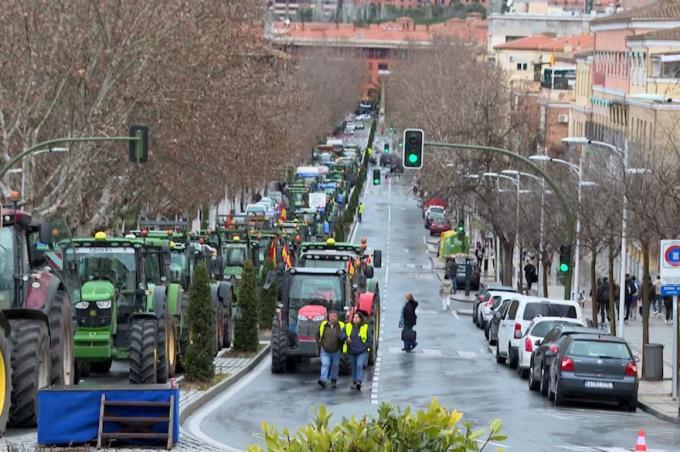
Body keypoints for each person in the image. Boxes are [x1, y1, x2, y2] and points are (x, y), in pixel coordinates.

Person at [343, 312, 371, 391]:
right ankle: (354, 382)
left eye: (356, 317)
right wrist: (345, 337)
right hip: (351, 351)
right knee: (354, 367)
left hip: (362, 352)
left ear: (360, 319)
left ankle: (359, 382)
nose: (354, 319)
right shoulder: (348, 326)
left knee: (359, 365)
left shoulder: (365, 327)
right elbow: (340, 334)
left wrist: (365, 347)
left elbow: (369, 338)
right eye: (354, 317)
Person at [317, 311, 345, 389]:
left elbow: (344, 336)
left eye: (334, 316)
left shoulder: (341, 326)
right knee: (325, 364)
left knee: (335, 366)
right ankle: (323, 380)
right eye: (331, 316)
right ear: (328, 317)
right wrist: (320, 345)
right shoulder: (323, 325)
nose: (332, 318)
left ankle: (334, 380)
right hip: (325, 349)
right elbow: (318, 335)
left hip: (336, 350)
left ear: (337, 317)